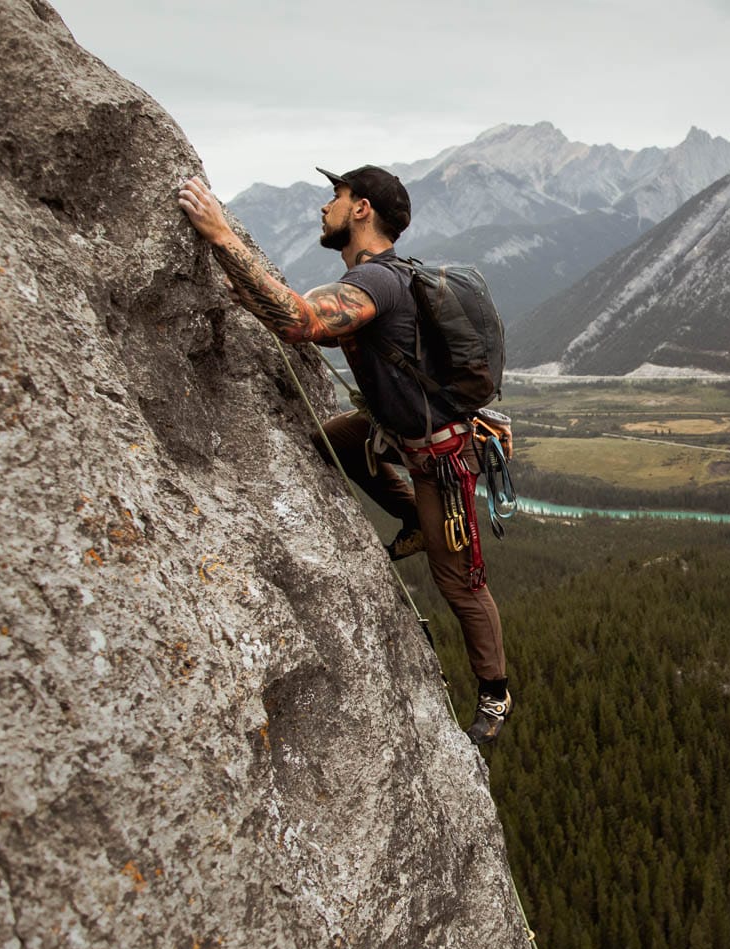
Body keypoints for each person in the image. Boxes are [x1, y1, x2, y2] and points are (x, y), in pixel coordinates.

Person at [177, 167, 511, 745]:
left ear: (362, 210)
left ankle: (496, 691)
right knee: (332, 439)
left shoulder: (377, 283)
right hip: (405, 432)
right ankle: (408, 515)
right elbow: (335, 331)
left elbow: (305, 322)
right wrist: (249, 288)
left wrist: (222, 237)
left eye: (336, 197)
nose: (324, 207)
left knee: (458, 581)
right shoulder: (380, 282)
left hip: (442, 455)